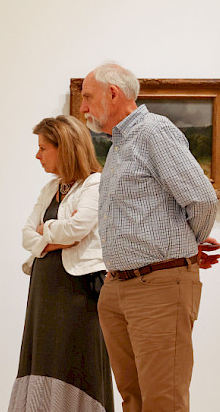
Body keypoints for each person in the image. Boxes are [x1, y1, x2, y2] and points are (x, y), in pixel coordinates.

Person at [80, 62, 219, 412]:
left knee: (163, 402)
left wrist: (184, 249)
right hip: (118, 289)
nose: (83, 107)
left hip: (157, 286)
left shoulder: (153, 131)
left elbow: (202, 199)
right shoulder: (117, 147)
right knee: (134, 401)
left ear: (113, 94)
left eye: (87, 97)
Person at [8, 115, 114, 412]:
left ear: (64, 147)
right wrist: (55, 236)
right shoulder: (51, 188)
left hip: (78, 291)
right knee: (44, 357)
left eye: (43, 148)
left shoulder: (96, 183)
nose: (37, 155)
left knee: (78, 361)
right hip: (45, 288)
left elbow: (77, 229)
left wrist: (48, 231)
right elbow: (27, 234)